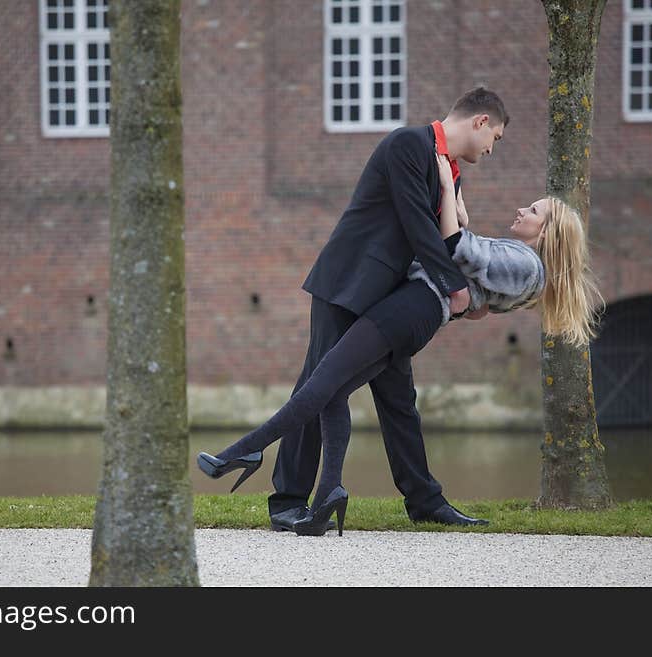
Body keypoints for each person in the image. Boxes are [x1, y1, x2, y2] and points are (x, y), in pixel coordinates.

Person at [198, 150, 602, 536]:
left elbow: (457, 248)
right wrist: (457, 208)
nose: (522, 210)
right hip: (413, 309)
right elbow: (470, 274)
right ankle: (329, 494)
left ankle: (244, 450)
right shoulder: (520, 262)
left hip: (412, 308)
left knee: (324, 380)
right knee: (335, 390)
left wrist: (446, 186)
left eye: (533, 211)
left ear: (547, 231)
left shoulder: (528, 265)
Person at [259, 87, 510, 532]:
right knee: (317, 383)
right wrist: (454, 288)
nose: (493, 149)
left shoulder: (449, 173)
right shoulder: (406, 144)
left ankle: (425, 501)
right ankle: (288, 500)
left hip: (388, 298)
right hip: (348, 283)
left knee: (399, 399)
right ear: (480, 122)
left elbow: (446, 234)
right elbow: (417, 223)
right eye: (496, 137)